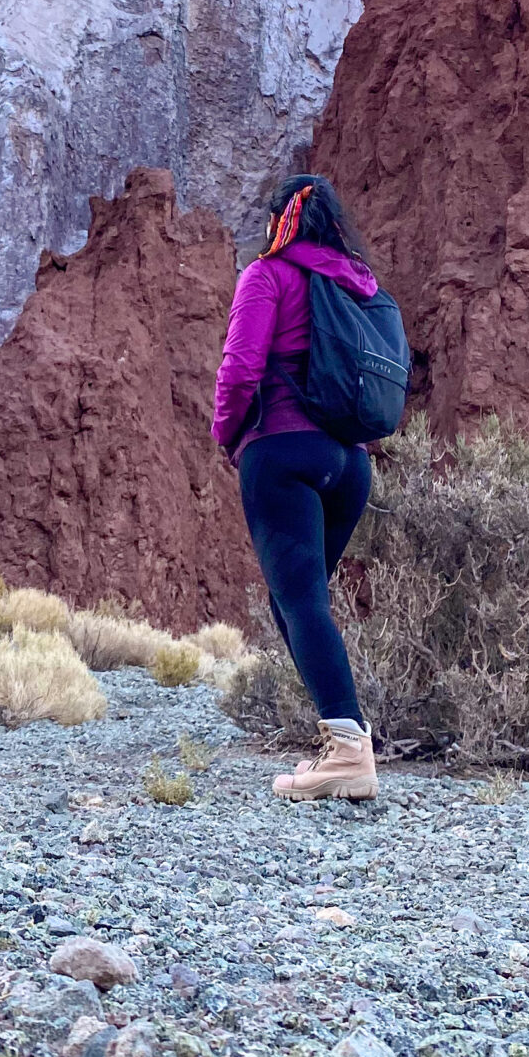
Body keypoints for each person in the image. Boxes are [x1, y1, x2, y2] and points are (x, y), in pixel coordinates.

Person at [212, 174, 380, 801]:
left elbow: (240, 367)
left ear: (280, 221)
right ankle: (344, 740)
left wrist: (227, 435)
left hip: (282, 452)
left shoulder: (269, 274)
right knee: (301, 604)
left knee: (301, 601)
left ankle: (349, 753)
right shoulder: (359, 285)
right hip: (351, 464)